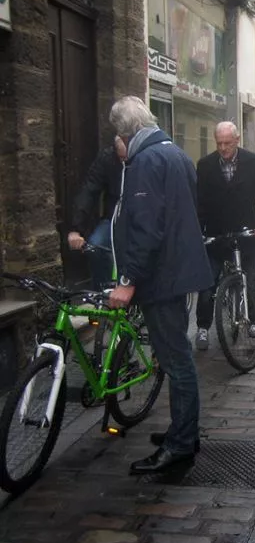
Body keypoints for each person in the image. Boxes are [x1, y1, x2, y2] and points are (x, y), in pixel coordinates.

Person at [108, 96, 213, 474]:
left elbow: (147, 229)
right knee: (177, 357)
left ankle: (181, 444)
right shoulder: (176, 154)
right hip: (178, 270)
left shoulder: (146, 161)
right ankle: (183, 431)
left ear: (125, 132)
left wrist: (127, 280)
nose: (116, 146)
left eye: (116, 137)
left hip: (163, 276)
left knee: (176, 360)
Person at [194, 121, 255, 350]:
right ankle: (202, 327)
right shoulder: (206, 165)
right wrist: (198, 231)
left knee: (250, 278)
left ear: (237, 140)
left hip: (245, 231)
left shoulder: (253, 162)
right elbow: (200, 202)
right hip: (217, 234)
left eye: (227, 143)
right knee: (207, 283)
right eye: (219, 143)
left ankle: (253, 321)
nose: (223, 148)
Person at [67, 136, 127, 289]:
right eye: (120, 157)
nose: (123, 161)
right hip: (112, 218)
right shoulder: (107, 158)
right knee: (96, 246)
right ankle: (103, 294)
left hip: (138, 218)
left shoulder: (144, 158)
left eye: (126, 157)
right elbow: (89, 191)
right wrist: (76, 229)